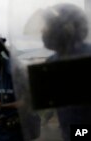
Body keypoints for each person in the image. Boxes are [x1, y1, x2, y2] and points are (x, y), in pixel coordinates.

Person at [42, 3, 91, 141]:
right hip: (68, 130)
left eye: (47, 25)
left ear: (64, 28)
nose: (42, 30)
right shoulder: (52, 61)